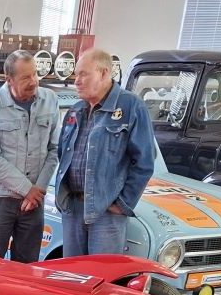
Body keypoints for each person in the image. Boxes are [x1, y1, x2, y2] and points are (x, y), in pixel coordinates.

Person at [55, 48, 155, 257]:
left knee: (101, 278)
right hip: (73, 208)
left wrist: (123, 203)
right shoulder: (75, 110)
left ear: (103, 73)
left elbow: (144, 161)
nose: (77, 81)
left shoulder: (131, 107)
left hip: (106, 212)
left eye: (83, 74)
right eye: (76, 74)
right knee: (71, 277)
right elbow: (62, 153)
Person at [0, 50, 60, 262]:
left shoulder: (50, 100)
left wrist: (38, 189)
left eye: (35, 74)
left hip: (35, 201)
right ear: (9, 79)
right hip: (1, 199)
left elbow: (55, 149)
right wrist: (27, 189)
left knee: (27, 267)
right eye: (26, 77)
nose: (33, 81)